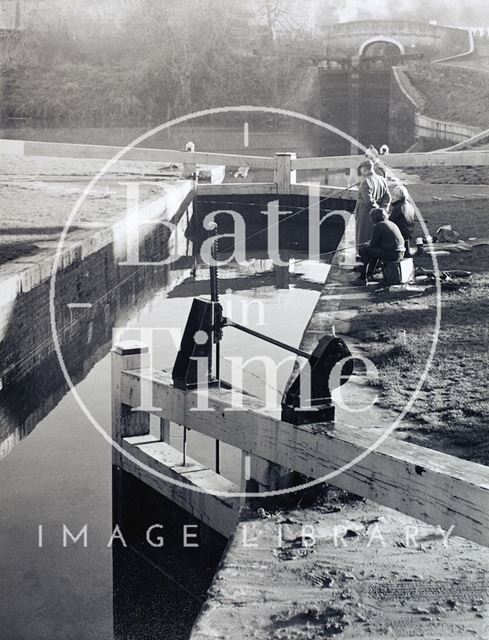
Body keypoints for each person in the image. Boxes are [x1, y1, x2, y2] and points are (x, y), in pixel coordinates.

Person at [359, 208, 405, 283]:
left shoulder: (379, 226)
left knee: (365, 249)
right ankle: (370, 274)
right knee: (373, 252)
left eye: (371, 218)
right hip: (400, 252)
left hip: (393, 254)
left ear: (375, 218)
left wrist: (367, 244)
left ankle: (362, 277)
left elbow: (373, 245)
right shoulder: (391, 223)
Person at [354, 159, 391, 250]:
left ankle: (363, 256)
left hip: (365, 215)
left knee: (363, 237)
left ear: (365, 169)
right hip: (378, 215)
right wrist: (383, 209)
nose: (361, 171)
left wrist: (378, 210)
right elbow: (388, 196)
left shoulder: (365, 181)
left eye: (361, 169)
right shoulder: (382, 179)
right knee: (376, 236)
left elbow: (368, 201)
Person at [389, 184, 415, 255]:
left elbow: (390, 221)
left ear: (398, 196)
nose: (391, 197)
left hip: (401, 233)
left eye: (393, 195)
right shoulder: (409, 205)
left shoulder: (398, 207)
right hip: (409, 231)